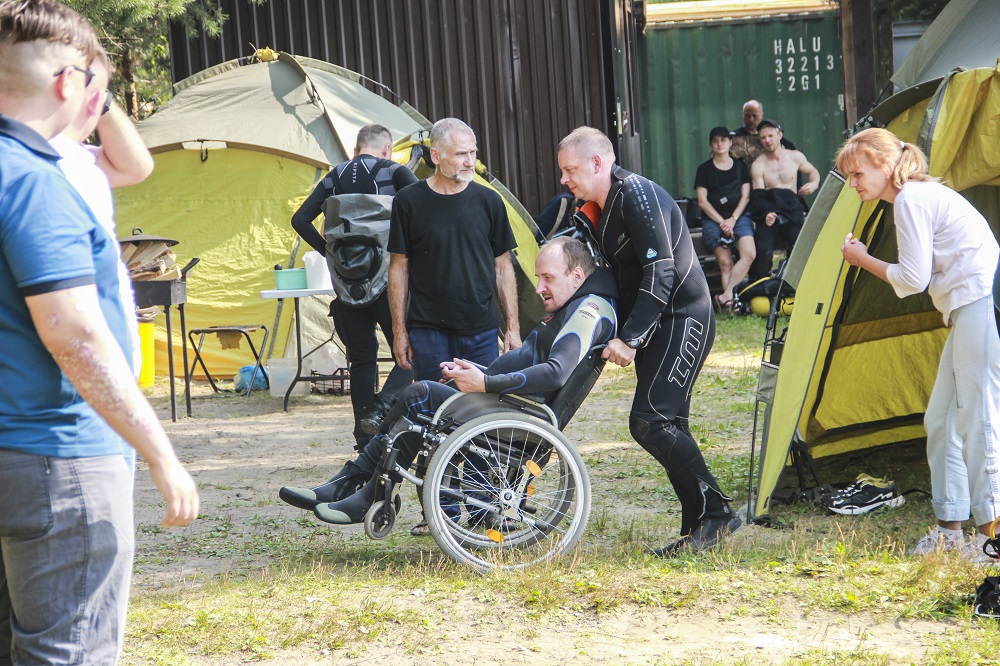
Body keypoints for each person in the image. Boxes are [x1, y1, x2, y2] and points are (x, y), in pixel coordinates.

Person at [0, 1, 199, 662]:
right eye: (96, 85)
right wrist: (159, 451)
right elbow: (74, 335)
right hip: (58, 457)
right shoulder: (34, 181)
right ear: (67, 83)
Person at [278, 237, 617, 525]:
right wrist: (477, 374)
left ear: (576, 275)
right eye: (538, 277)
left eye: (548, 278)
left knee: (420, 394)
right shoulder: (578, 305)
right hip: (508, 403)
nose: (540, 287)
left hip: (521, 414)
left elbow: (557, 372)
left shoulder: (588, 310)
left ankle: (361, 488)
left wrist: (486, 383)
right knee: (422, 397)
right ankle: (358, 485)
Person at [556, 126, 740, 556]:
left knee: (651, 420)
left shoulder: (636, 194)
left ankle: (718, 514)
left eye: (570, 170)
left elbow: (663, 271)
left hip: (683, 317)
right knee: (671, 424)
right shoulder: (595, 207)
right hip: (656, 320)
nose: (564, 179)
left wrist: (631, 339)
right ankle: (697, 528)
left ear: (598, 162)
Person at [837, 128, 1000, 562]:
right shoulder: (917, 195)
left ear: (884, 163)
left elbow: (913, 280)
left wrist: (861, 259)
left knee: (978, 421)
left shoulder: (910, 199)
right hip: (967, 308)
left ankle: (994, 541)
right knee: (941, 422)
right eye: (848, 177)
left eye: (858, 173)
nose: (853, 184)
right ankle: (950, 534)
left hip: (982, 304)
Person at [291, 124, 417, 447]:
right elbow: (423, 212)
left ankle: (364, 435)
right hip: (388, 282)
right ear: (387, 149)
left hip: (347, 288)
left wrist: (330, 255)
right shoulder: (394, 173)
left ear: (356, 147)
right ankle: (381, 409)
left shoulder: (334, 176)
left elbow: (300, 219)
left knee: (361, 358)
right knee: (409, 354)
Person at [388, 117, 521, 384]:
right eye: (461, 154)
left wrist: (513, 328)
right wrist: (399, 331)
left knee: (480, 413)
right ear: (435, 156)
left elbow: (503, 267)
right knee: (434, 411)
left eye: (473, 152)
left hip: (482, 330)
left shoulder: (490, 201)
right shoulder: (408, 202)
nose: (470, 162)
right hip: (428, 331)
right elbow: (398, 268)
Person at [748, 119, 820, 281]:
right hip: (769, 210)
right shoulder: (759, 164)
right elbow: (758, 196)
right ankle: (759, 287)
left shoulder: (795, 157)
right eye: (763, 138)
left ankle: (805, 283)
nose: (767, 140)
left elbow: (813, 171)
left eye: (770, 136)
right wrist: (766, 213)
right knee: (764, 251)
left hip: (791, 210)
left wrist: (814, 184)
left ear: (780, 135)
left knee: (803, 248)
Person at [694, 126, 756, 311]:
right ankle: (729, 305)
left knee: (749, 254)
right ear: (711, 144)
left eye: (723, 140)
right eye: (715, 140)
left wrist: (733, 219)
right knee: (725, 263)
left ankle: (726, 294)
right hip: (714, 220)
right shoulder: (704, 170)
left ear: (730, 142)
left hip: (739, 217)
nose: (720, 144)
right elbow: (702, 202)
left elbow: (745, 196)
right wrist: (722, 221)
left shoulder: (740, 166)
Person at [730, 99, 796, 166]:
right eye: (747, 115)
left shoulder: (776, 140)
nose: (751, 119)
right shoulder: (733, 138)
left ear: (762, 115)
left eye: (755, 116)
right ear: (742, 115)